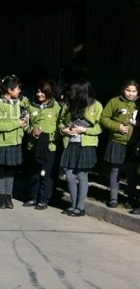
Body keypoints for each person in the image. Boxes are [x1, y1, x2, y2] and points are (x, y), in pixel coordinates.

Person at [58, 79, 102, 217]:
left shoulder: (96, 105)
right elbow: (60, 123)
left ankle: (80, 207)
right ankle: (73, 204)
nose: (70, 94)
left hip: (86, 144)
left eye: (73, 91)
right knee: (70, 175)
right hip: (71, 143)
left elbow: (99, 127)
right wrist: (64, 130)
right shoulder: (68, 105)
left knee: (82, 175)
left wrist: (84, 130)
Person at [22, 80, 62, 210]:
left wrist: (49, 137)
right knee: (34, 173)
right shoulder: (31, 106)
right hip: (32, 146)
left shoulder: (57, 107)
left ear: (49, 92)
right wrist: (31, 130)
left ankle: (44, 200)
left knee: (46, 174)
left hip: (49, 147)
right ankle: (33, 197)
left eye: (42, 92)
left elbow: (60, 127)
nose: (39, 94)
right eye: (38, 92)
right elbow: (24, 123)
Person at [0, 75, 27, 209]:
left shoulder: (18, 103)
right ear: (10, 90)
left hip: (14, 141)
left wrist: (23, 126)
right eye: (17, 88)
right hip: (1, 142)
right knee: (0, 170)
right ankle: (0, 196)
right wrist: (17, 123)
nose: (19, 91)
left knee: (11, 171)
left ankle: (8, 196)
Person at [99, 79, 138, 209]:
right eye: (128, 90)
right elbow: (104, 118)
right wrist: (118, 127)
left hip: (133, 143)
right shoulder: (114, 101)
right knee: (115, 169)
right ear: (123, 90)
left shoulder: (139, 103)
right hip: (116, 141)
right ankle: (113, 198)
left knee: (131, 172)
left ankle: (131, 199)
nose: (131, 94)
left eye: (134, 91)